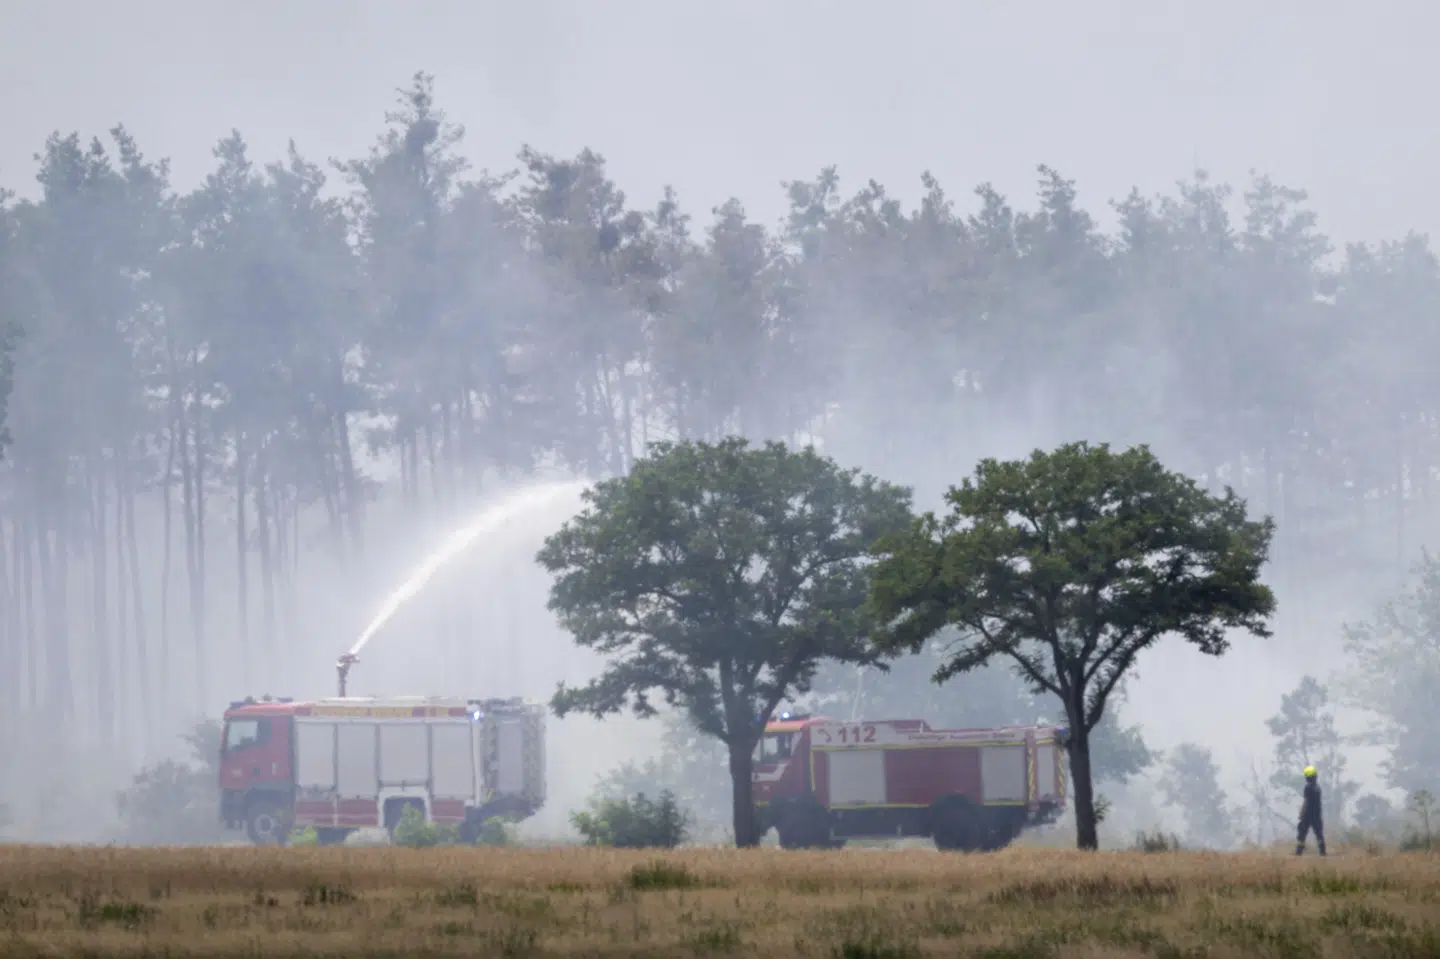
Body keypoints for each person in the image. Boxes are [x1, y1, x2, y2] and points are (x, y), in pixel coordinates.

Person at [1295, 764, 1326, 856]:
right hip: (1317, 814)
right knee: (1319, 833)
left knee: (1302, 832)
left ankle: (1299, 852)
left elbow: (1306, 801)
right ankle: (1322, 852)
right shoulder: (1318, 788)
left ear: (1307, 777)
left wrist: (1301, 813)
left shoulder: (1307, 787)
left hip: (1308, 815)